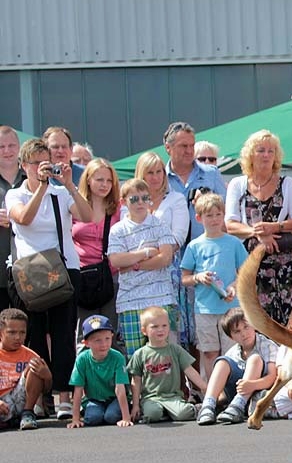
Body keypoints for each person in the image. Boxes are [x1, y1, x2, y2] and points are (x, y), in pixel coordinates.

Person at [5, 138, 89, 421]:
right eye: (36, 163)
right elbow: (24, 219)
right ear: (23, 166)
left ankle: (64, 396)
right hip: (30, 275)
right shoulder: (15, 195)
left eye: (46, 163)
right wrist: (41, 186)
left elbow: (88, 216)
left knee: (65, 335)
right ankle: (38, 397)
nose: (42, 168)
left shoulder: (60, 192)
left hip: (63, 271)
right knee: (35, 335)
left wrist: (68, 184)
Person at [225, 130, 292, 325]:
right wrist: (258, 233)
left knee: (289, 323)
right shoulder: (238, 184)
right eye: (261, 150)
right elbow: (230, 224)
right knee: (255, 321)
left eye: (271, 151)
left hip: (283, 265)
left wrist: (275, 227)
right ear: (250, 154)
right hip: (250, 264)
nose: (267, 155)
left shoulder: (287, 184)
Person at [180, 192, 249, 377]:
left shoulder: (233, 243)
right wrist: (198, 277)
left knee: (232, 353)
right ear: (199, 218)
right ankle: (211, 393)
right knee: (209, 353)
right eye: (209, 215)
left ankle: (233, 392)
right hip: (204, 309)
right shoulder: (194, 246)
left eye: (218, 214)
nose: (214, 219)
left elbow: (246, 273)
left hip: (230, 308)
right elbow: (184, 278)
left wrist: (233, 286)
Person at [108, 178, 178, 355]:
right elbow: (116, 260)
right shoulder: (117, 230)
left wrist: (133, 265)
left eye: (144, 198)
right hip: (130, 301)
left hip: (161, 298)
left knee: (165, 354)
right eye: (134, 199)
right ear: (123, 202)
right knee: (136, 356)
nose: (140, 202)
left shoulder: (160, 224)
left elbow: (165, 258)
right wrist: (146, 253)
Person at [135, 152, 191, 346]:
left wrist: (153, 255)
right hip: (139, 273)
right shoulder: (132, 201)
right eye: (150, 172)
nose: (157, 177)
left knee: (170, 328)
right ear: (141, 175)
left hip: (169, 270)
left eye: (160, 171)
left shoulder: (175, 199)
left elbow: (178, 237)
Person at [196, 309, 278, 425]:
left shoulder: (268, 346)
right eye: (237, 331)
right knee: (222, 362)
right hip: (235, 393)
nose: (244, 333)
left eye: (246, 327)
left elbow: (272, 378)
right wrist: (219, 399)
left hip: (258, 392)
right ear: (231, 337)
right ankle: (208, 405)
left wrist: (252, 385)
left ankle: (238, 405)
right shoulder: (232, 352)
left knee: (255, 359)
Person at [128, 306, 207, 423]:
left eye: (164, 326)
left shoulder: (175, 350)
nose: (160, 330)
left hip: (173, 396)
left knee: (182, 414)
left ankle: (194, 408)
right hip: (151, 398)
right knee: (152, 414)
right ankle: (163, 412)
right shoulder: (140, 354)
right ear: (144, 331)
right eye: (155, 327)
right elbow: (136, 380)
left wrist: (206, 388)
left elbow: (189, 370)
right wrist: (135, 405)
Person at [72, 158, 121, 332]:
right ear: (88, 179)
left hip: (110, 275)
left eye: (109, 181)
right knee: (85, 333)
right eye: (99, 180)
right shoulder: (73, 205)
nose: (105, 185)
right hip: (83, 275)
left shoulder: (118, 208)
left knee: (110, 332)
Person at [162, 122, 226, 244]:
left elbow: (226, 212)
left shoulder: (211, 174)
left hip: (207, 253)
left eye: (192, 145)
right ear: (168, 147)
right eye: (184, 146)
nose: (189, 151)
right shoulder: (159, 179)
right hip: (171, 257)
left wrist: (207, 202)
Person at [68, 315, 132, 428]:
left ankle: (123, 410)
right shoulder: (82, 359)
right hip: (94, 399)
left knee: (111, 417)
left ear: (112, 336)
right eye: (98, 340)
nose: (104, 344)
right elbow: (78, 389)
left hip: (114, 398)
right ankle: (91, 410)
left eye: (107, 339)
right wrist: (75, 419)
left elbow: (120, 388)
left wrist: (126, 418)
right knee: (93, 419)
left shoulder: (118, 357)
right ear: (86, 343)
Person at [0, 308, 52, 431]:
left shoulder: (30, 355)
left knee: (35, 366)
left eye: (22, 332)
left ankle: (27, 414)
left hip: (21, 400)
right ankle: (9, 421)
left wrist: (47, 376)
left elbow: (46, 389)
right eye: (12, 333)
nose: (18, 337)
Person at [0, 126, 25, 312]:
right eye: (1, 147)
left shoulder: (31, 177)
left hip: (28, 269)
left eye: (11, 145)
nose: (7, 151)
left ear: (19, 147)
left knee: (28, 330)